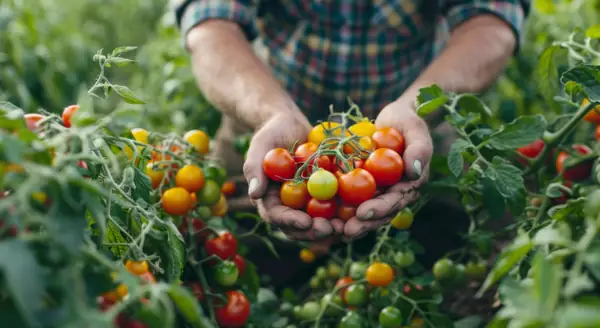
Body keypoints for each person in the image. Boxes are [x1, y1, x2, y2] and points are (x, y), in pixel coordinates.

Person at [174, 0, 529, 244]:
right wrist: (272, 115)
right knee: (225, 233)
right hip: (263, 109)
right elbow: (211, 26)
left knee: (465, 238)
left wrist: (415, 109)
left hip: (418, 121)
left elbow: (490, 22)